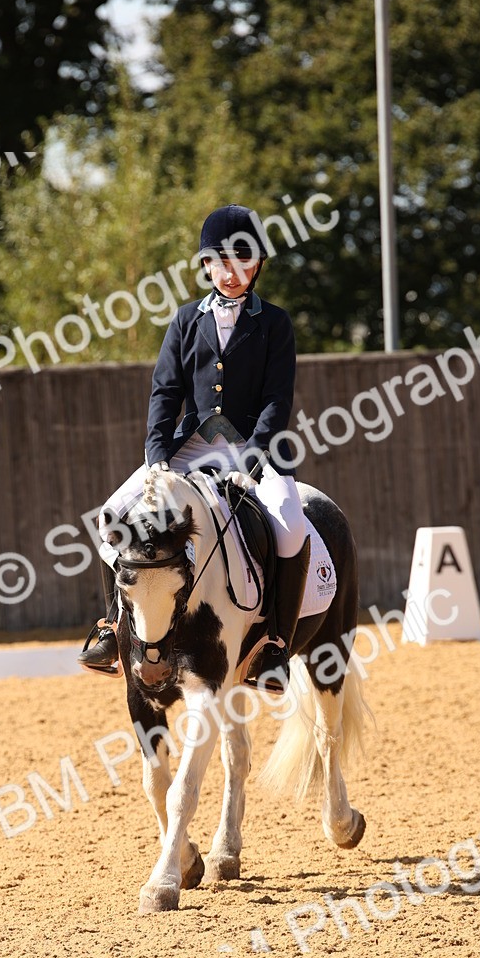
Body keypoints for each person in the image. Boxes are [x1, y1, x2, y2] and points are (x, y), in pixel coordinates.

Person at [78, 203, 308, 690]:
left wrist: (255, 455)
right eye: (220, 262)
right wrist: (157, 455)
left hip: (253, 446)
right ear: (206, 265)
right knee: (112, 513)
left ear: (257, 263)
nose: (230, 272)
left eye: (241, 260)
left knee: (289, 524)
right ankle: (110, 628)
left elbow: (276, 398)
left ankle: (276, 647)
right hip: (191, 445)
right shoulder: (185, 321)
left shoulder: (276, 324)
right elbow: (165, 392)